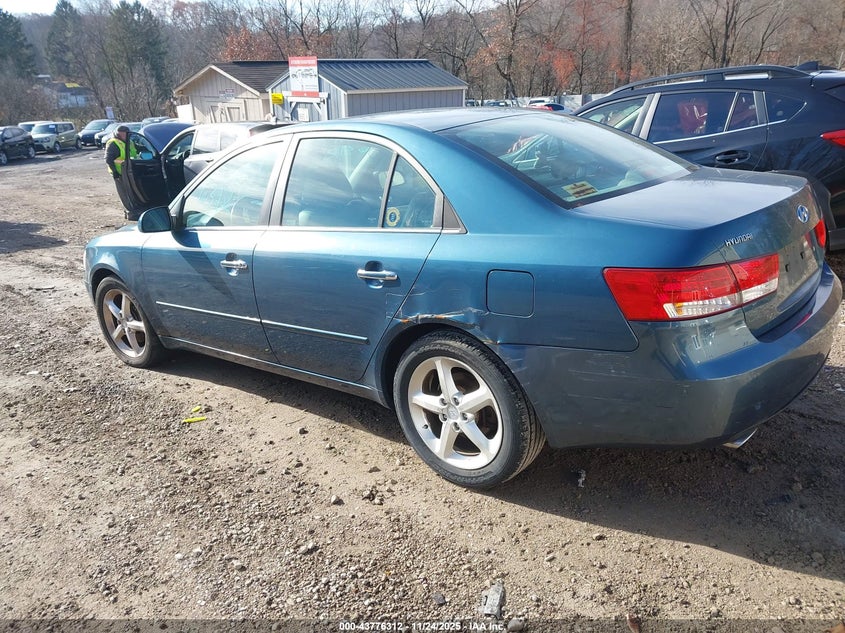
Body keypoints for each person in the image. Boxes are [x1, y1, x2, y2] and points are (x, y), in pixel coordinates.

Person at [104, 125, 137, 219]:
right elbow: (109, 159)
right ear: (118, 134)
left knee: (132, 193)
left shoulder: (129, 142)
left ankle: (134, 209)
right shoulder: (113, 143)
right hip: (120, 173)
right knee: (125, 193)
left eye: (126, 134)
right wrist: (115, 173)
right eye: (123, 134)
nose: (125, 136)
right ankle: (130, 212)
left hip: (130, 171)